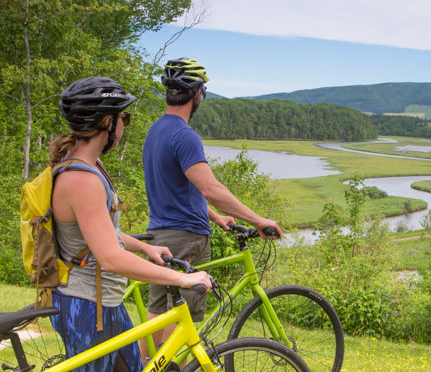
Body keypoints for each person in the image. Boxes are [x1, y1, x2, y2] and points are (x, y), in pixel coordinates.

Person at [49, 76, 212, 372]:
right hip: (86, 307)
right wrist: (182, 279)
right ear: (107, 122)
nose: (125, 124)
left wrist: (144, 248)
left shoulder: (90, 167)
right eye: (124, 117)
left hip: (105, 303)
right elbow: (110, 257)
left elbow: (101, 234)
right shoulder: (81, 180)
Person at [142, 57, 283, 352]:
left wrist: (217, 218)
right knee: (185, 323)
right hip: (186, 239)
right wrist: (258, 220)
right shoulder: (185, 136)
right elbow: (210, 189)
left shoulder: (155, 131)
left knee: (157, 314)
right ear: (197, 94)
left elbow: (179, 188)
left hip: (159, 235)